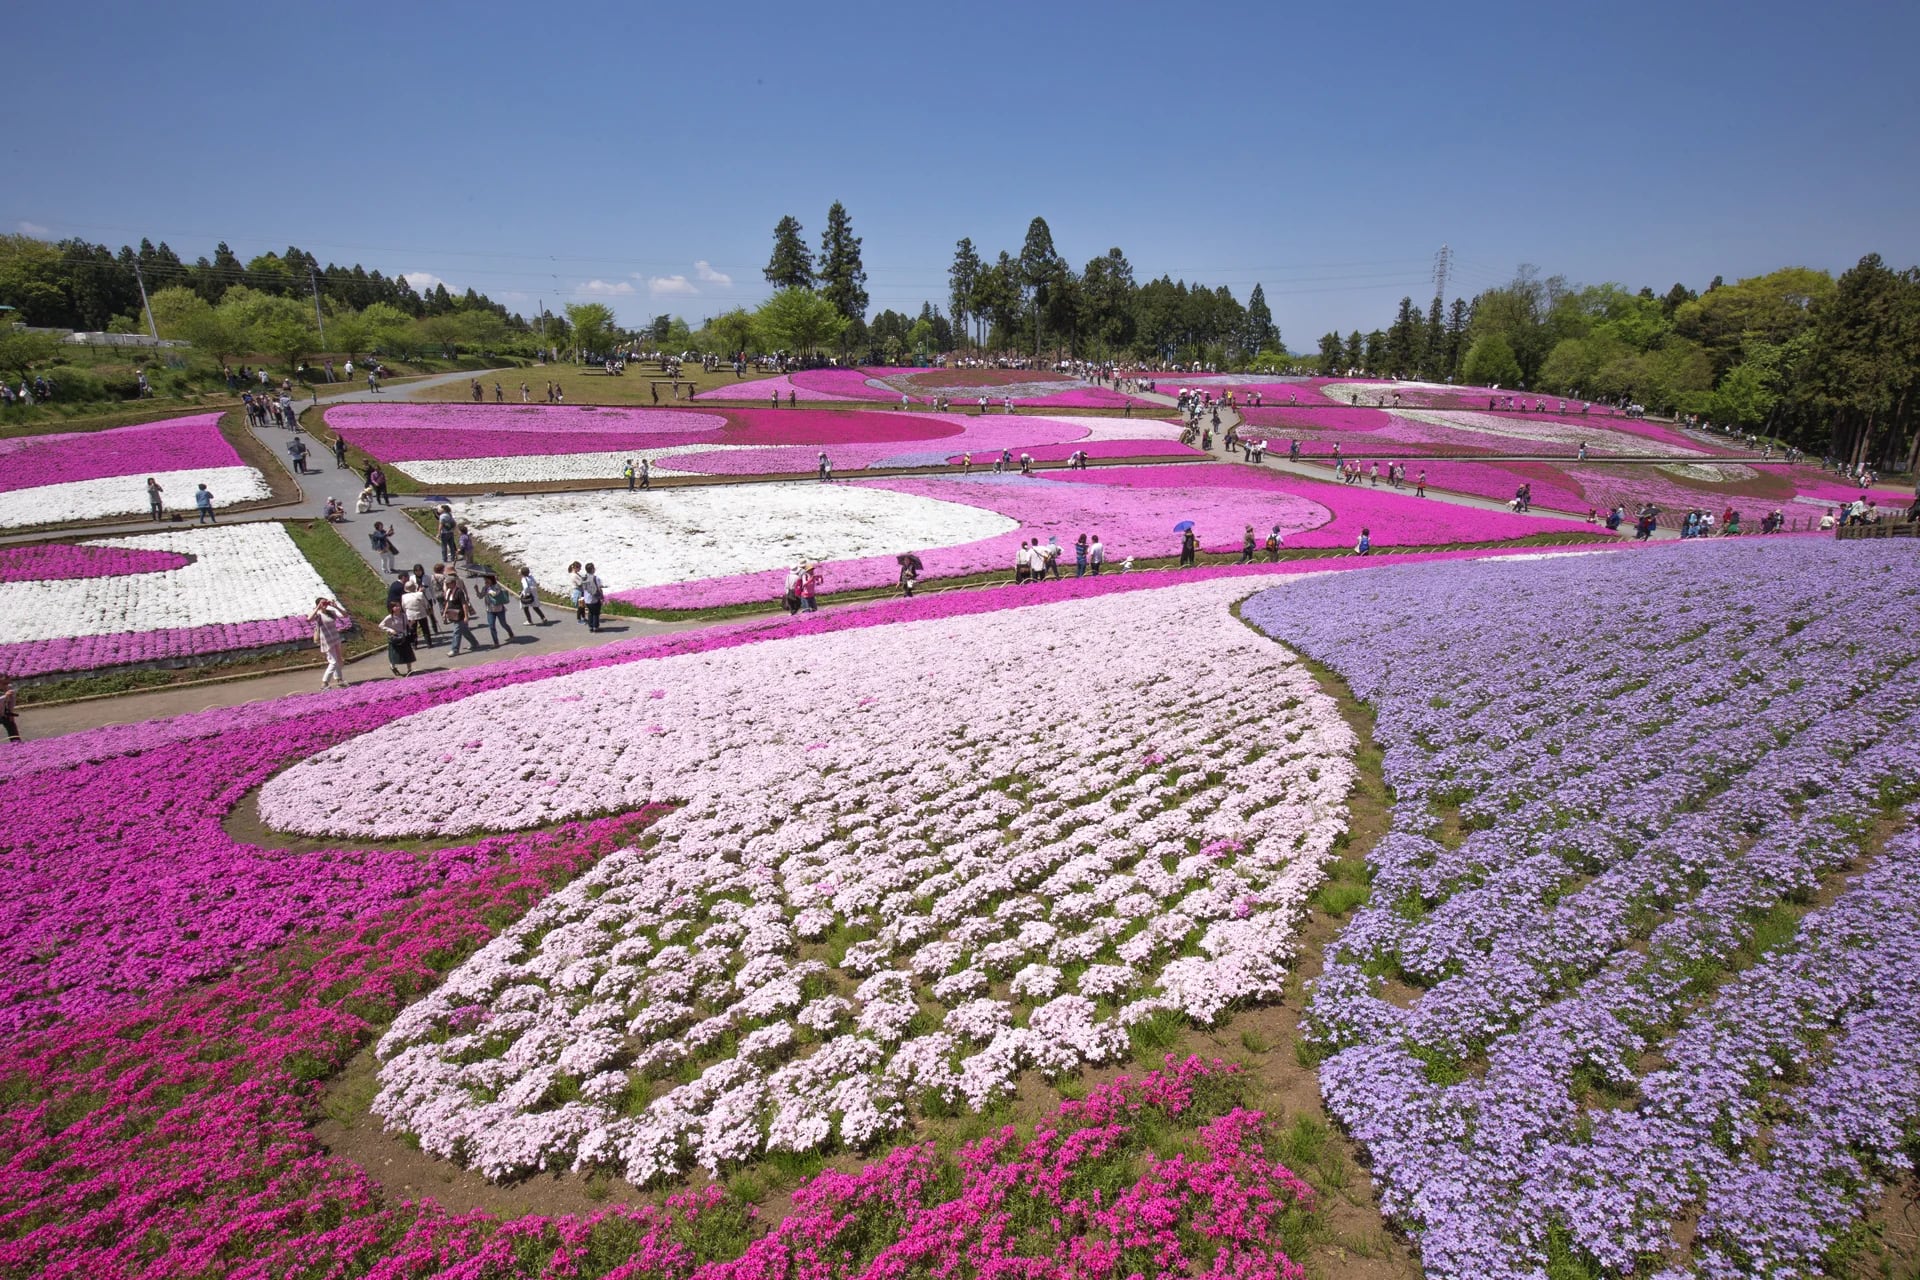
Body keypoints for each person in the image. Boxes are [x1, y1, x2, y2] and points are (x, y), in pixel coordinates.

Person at [309, 597, 350, 688]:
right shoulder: (318, 615)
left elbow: (345, 615)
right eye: (322, 603)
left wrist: (336, 607)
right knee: (333, 662)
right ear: (318, 604)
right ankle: (324, 683)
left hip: (335, 639)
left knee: (339, 660)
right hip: (327, 641)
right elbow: (309, 619)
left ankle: (339, 680)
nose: (324, 605)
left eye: (325, 603)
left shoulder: (331, 613)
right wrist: (318, 607)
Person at [441, 570, 480, 655]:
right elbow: (448, 602)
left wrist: (466, 616)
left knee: (456, 631)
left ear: (453, 583)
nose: (447, 585)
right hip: (453, 614)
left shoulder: (459, 592)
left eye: (448, 583)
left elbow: (464, 604)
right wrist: (444, 612)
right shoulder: (449, 592)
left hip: (460, 615)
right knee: (465, 631)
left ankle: (454, 649)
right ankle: (475, 643)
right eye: (446, 584)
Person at [379, 601, 416, 676]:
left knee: (408, 654)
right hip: (395, 638)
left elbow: (407, 625)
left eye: (399, 606)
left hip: (404, 636)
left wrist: (411, 623)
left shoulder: (403, 615)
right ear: (392, 608)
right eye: (395, 606)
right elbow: (381, 625)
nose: (398, 608)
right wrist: (390, 630)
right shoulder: (389, 617)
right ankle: (392, 667)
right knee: (395, 654)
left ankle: (409, 669)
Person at [479, 573, 516, 646]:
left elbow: (494, 594)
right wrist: (477, 590)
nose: (485, 581)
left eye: (487, 579)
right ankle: (496, 642)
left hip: (499, 609)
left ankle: (510, 633)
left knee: (503, 624)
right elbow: (481, 596)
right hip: (489, 610)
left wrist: (488, 588)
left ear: (491, 579)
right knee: (491, 626)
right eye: (485, 579)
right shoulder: (485, 587)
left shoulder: (496, 586)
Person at [579, 562, 605, 631]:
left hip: (587, 598)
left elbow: (583, 587)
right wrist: (601, 597)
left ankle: (590, 626)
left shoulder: (584, 578)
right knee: (596, 613)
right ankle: (595, 627)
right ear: (592, 569)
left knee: (590, 613)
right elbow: (599, 588)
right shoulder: (595, 578)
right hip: (594, 598)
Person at [0, 675, 19, 743]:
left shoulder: (9, 688)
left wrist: (11, 713)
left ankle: (16, 744)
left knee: (12, 727)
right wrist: (5, 696)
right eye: (4, 683)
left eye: (8, 683)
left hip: (4, 712)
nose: (7, 685)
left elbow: (12, 701)